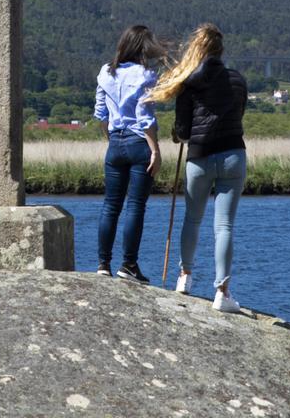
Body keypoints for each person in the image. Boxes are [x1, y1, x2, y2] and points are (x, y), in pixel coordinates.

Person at [147, 23, 248, 312]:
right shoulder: (238, 80)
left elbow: (183, 129)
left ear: (198, 48)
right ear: (221, 49)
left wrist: (178, 135)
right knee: (225, 225)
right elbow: (238, 116)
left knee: (192, 219)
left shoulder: (188, 82)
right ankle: (222, 292)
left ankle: (185, 277)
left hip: (199, 158)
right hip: (232, 154)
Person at [93, 24, 165, 283]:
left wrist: (111, 138)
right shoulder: (147, 74)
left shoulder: (105, 72)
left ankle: (103, 264)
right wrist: (155, 150)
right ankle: (129, 265)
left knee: (110, 205)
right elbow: (145, 117)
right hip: (138, 143)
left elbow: (100, 113)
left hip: (115, 143)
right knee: (135, 206)